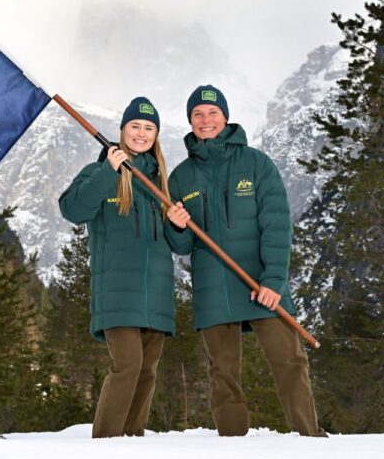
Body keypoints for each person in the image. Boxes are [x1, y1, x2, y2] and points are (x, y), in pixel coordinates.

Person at [163, 85, 326, 437]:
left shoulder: (256, 164)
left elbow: (277, 226)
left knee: (290, 363)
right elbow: (182, 245)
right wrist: (176, 226)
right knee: (223, 373)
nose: (206, 121)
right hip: (213, 288)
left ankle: (310, 440)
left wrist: (274, 282)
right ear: (190, 121)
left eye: (212, 113)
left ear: (225, 116)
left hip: (260, 283)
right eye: (198, 115)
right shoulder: (180, 177)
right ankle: (233, 446)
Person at [58, 96, 175, 438]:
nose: (141, 133)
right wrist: (109, 170)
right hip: (117, 292)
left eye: (148, 128)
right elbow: (73, 209)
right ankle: (106, 443)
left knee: (148, 371)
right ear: (122, 131)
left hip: (156, 292)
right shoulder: (100, 172)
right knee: (128, 365)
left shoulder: (162, 183)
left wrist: (179, 224)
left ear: (156, 135)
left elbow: (179, 244)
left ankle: (131, 441)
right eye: (134, 126)